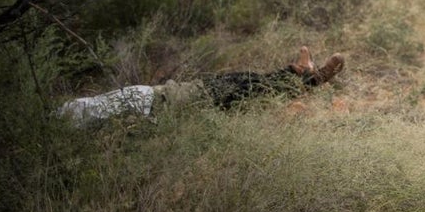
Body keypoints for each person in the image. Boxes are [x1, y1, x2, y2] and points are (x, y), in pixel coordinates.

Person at [57, 46, 344, 126]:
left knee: (240, 85)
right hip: (162, 104)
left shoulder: (71, 114)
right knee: (242, 89)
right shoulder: (73, 117)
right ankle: (304, 76)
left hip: (161, 99)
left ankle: (304, 75)